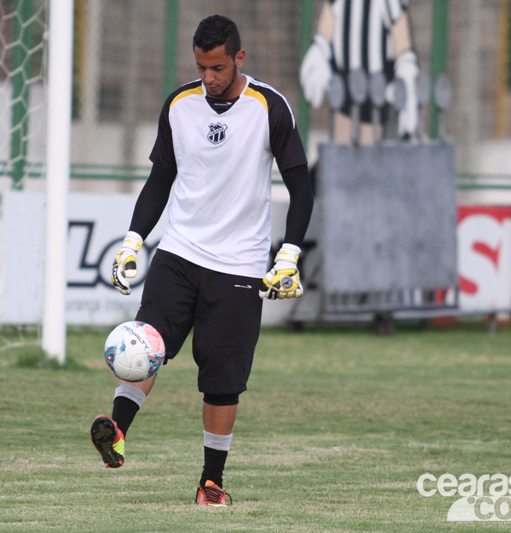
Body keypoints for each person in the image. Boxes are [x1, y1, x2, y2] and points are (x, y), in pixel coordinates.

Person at [89, 14, 314, 507]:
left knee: (222, 381)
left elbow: (301, 185)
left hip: (238, 266)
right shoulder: (179, 105)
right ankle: (116, 430)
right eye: (201, 67)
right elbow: (159, 180)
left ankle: (210, 482)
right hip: (179, 253)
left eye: (217, 67)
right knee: (146, 344)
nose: (209, 78)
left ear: (239, 58)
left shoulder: (270, 108)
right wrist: (132, 240)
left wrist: (289, 255)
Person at [299, 0, 420, 143]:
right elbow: (324, 32)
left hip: (377, 95)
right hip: (344, 93)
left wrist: (407, 73)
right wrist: (318, 51)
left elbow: (402, 44)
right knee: (342, 150)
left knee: (370, 154)